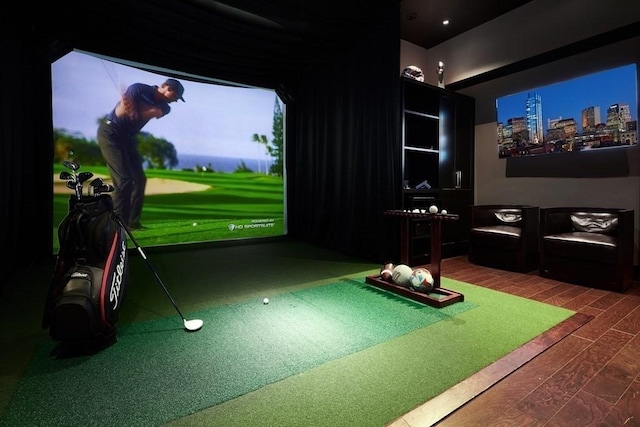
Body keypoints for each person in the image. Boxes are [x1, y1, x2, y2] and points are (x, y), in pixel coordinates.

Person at [97, 78, 185, 230]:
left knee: (139, 179)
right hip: (110, 133)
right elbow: (123, 112)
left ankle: (133, 222)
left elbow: (139, 115)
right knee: (124, 179)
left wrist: (131, 106)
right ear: (168, 89)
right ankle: (117, 224)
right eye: (176, 96)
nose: (176, 101)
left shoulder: (165, 107)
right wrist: (129, 106)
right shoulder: (139, 89)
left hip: (128, 137)